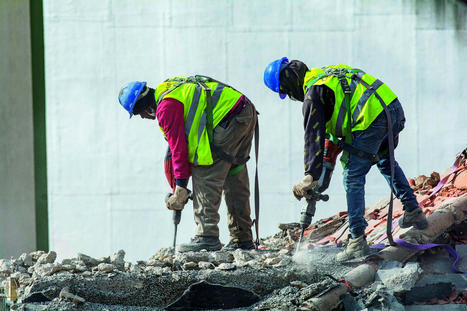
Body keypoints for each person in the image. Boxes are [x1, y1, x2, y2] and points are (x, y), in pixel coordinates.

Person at [263, 58, 428, 261]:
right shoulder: (324, 77)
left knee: (352, 175)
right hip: (392, 109)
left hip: (372, 119)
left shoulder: (313, 95)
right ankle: (413, 211)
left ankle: (357, 240)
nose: (290, 96)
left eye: (286, 92)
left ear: (287, 82)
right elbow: (329, 138)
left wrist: (310, 177)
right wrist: (321, 173)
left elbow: (312, 138)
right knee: (385, 160)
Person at [118, 76, 258, 252]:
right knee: (233, 172)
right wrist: (178, 184)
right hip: (244, 113)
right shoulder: (170, 88)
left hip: (228, 118)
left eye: (139, 114)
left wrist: (181, 188)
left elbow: (179, 149)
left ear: (143, 106)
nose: (143, 118)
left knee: (205, 171)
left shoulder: (165, 108)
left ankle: (206, 236)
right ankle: (242, 238)